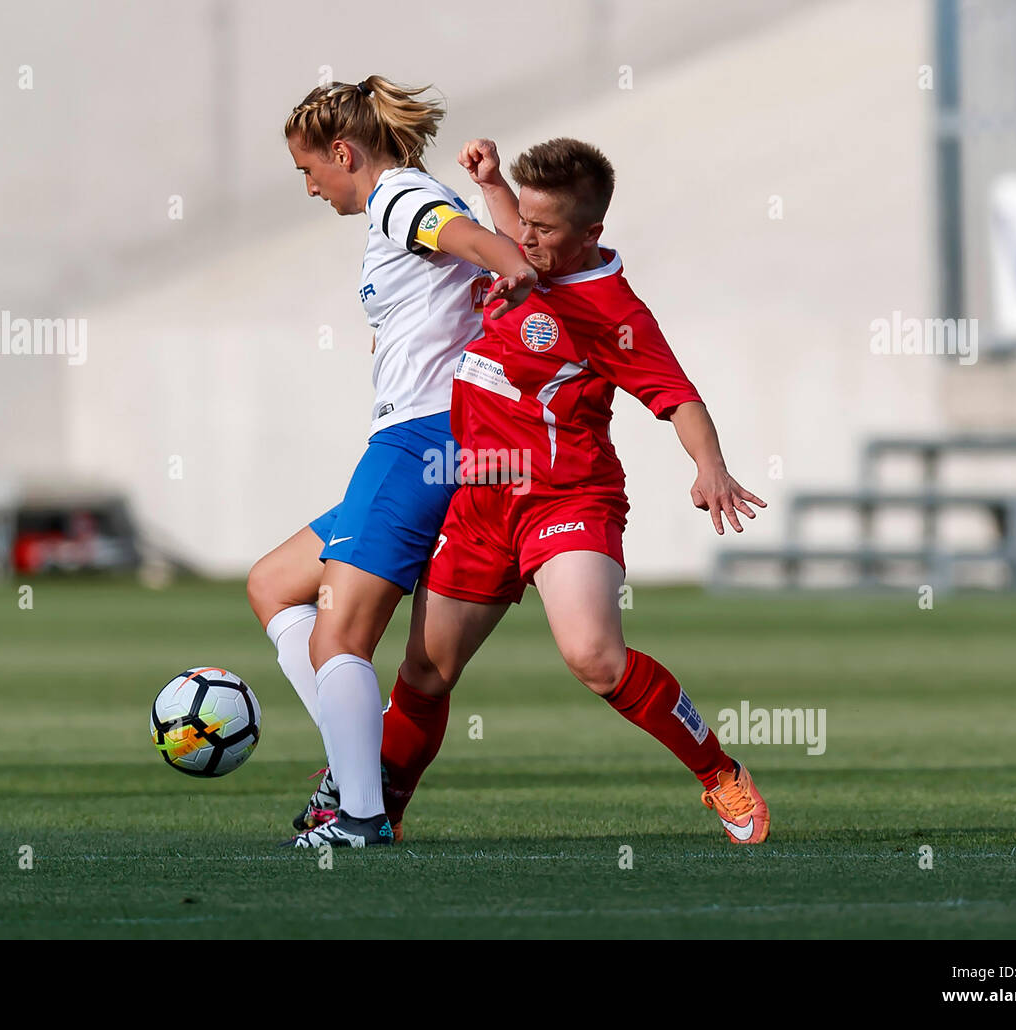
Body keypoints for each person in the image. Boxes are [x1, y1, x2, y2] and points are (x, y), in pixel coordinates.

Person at [306, 136, 771, 846]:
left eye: (543, 229)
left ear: (592, 234)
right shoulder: (519, 253)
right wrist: (493, 184)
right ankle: (376, 818)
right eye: (519, 220)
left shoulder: (611, 309)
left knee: (595, 657)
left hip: (567, 499)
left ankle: (719, 774)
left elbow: (678, 398)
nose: (523, 239)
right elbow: (506, 227)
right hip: (480, 502)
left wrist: (709, 467)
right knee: (424, 673)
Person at [246, 78, 537, 849]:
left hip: (420, 440)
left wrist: (508, 261)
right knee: (274, 583)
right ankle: (356, 769)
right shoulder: (404, 201)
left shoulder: (399, 197)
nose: (309, 186)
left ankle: (361, 814)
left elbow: (464, 239)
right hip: (436, 439)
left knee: (338, 639)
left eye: (309, 169)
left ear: (344, 153)